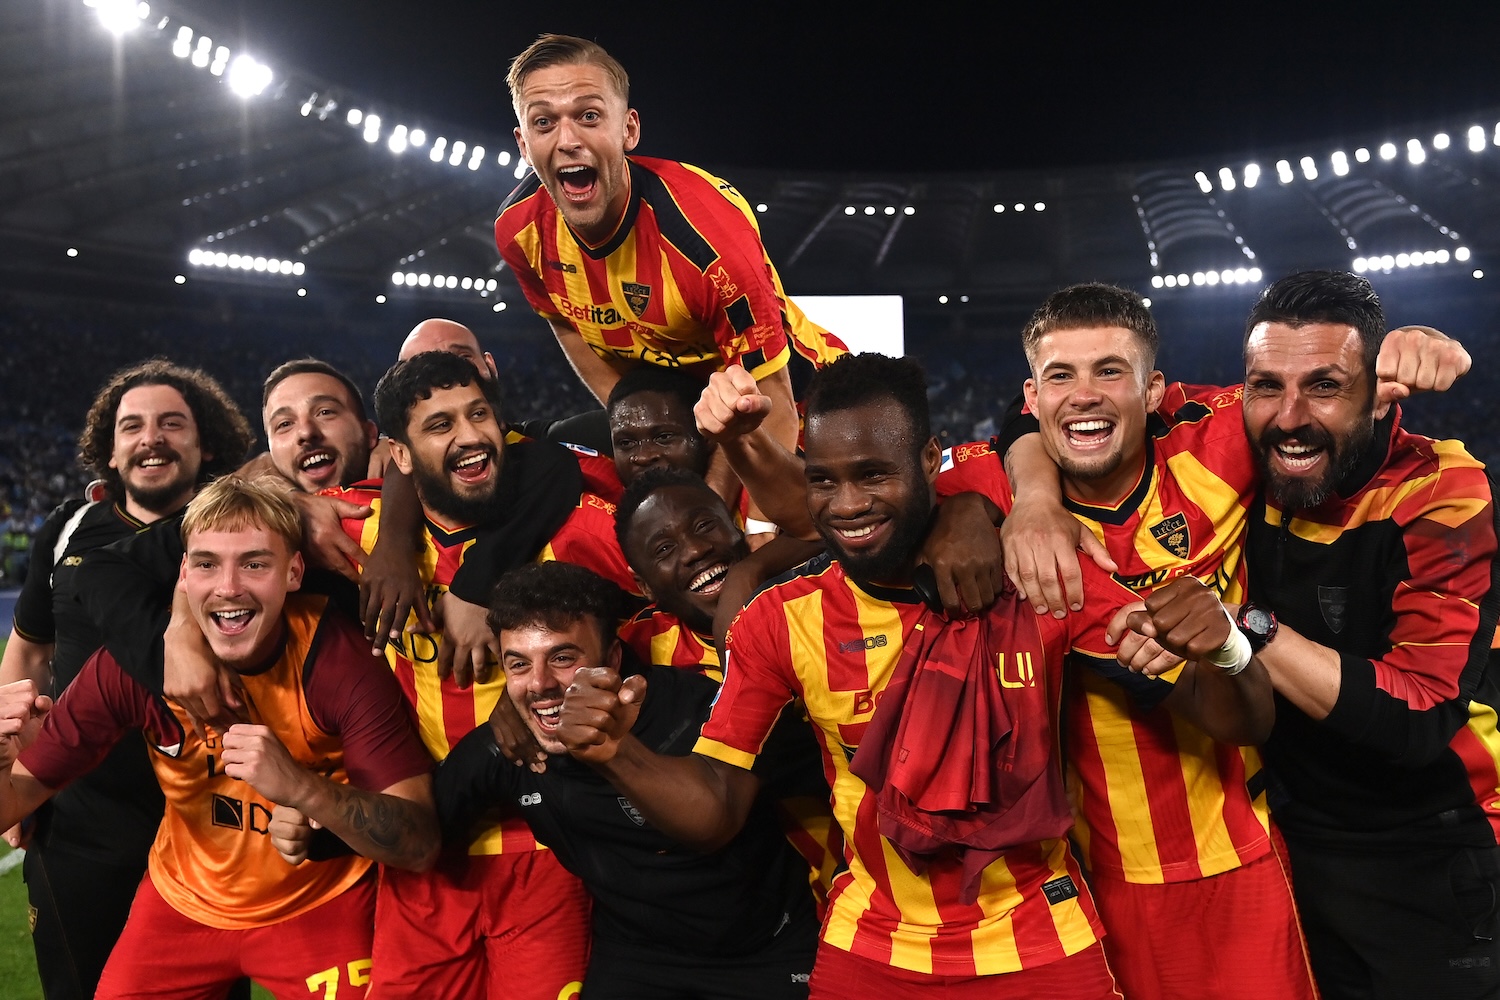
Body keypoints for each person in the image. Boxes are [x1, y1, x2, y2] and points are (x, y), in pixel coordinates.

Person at [556, 353, 1261, 996]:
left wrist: (1224, 646)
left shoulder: (1037, 581)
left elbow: (1240, 720)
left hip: (1039, 942)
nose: (848, 505)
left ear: (930, 460)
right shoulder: (781, 622)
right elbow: (715, 810)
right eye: (824, 480)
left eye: (872, 474)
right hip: (869, 952)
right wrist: (619, 753)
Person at [932, 285, 1316, 999]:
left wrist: (1408, 344)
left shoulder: (1219, 438)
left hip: (1238, 852)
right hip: (1085, 876)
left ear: (1155, 390)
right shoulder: (983, 484)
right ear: (1030, 396)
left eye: (1111, 371)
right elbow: (858, 499)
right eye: (1061, 376)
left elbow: (1324, 393)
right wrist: (969, 513)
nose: (1086, 395)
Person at [0, 476, 438, 1000]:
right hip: (181, 904)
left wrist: (302, 788)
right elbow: (16, 799)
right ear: (184, 574)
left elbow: (419, 842)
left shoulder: (337, 661)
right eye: (207, 563)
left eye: (254, 563)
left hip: (320, 905)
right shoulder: (133, 666)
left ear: (294, 571)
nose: (228, 587)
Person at [329, 349, 638, 1000]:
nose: (470, 435)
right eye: (440, 425)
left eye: (478, 415)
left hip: (545, 851)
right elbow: (227, 520)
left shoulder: (575, 525)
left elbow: (676, 589)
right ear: (400, 457)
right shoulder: (357, 528)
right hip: (426, 856)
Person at [1229, 271, 1499, 998]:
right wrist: (1021, 492)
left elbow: (1419, 716)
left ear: (1379, 396)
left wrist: (1247, 631)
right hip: (1292, 847)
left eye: (1324, 386)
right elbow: (1076, 409)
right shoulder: (1238, 438)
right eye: (1266, 386)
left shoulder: (1444, 490)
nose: (1288, 417)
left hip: (1427, 853)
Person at [496, 33, 846, 528]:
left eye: (589, 116)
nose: (568, 139)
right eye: (544, 121)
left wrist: (724, 516)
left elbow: (772, 403)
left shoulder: (708, 242)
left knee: (769, 542)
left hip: (798, 399)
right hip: (684, 414)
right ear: (523, 142)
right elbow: (567, 325)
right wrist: (640, 428)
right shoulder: (518, 231)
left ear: (629, 129)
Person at [436, 561, 819, 999]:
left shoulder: (700, 710)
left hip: (766, 951)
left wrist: (616, 752)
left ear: (613, 658)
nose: (540, 684)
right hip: (636, 957)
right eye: (519, 664)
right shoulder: (508, 748)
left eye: (562, 658)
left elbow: (725, 818)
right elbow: (426, 829)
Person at [0, 359, 254, 1000]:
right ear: (109, 450)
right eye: (133, 425)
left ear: (206, 443)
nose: (152, 438)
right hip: (82, 822)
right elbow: (29, 652)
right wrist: (13, 774)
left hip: (216, 825)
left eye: (173, 423)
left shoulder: (241, 528)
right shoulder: (66, 530)